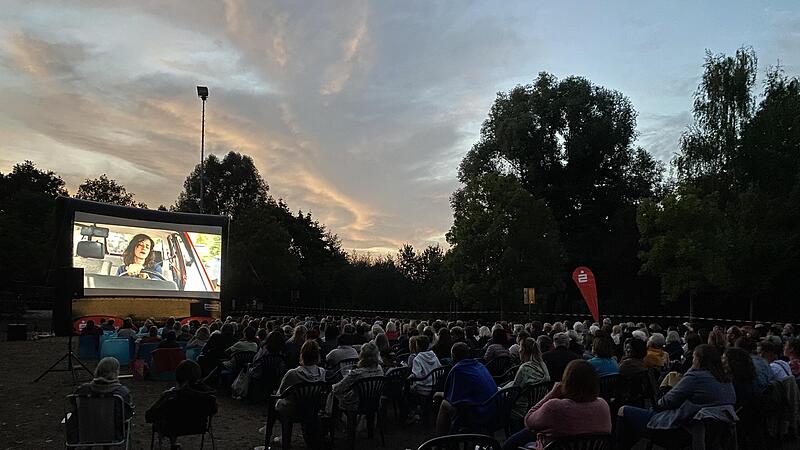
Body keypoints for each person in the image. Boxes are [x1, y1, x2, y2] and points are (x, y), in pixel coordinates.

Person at [616, 345, 736, 449]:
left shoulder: (695, 377)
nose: (692, 360)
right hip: (706, 433)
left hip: (678, 428)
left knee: (623, 411)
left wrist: (690, 371)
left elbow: (666, 402)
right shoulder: (726, 381)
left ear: (699, 360)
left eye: (694, 357)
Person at [502, 359, 611, 450]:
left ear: (567, 381)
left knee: (516, 440)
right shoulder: (603, 405)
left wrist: (552, 394)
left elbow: (528, 420)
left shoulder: (555, 408)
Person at [145, 360, 217, 450]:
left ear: (178, 376)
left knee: (169, 417)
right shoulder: (209, 396)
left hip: (172, 427)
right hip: (199, 427)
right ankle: (173, 444)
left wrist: (162, 397)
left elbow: (149, 416)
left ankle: (172, 442)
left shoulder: (171, 397)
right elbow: (213, 411)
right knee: (174, 416)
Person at [436, 342, 498, 435]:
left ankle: (440, 439)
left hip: (479, 412)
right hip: (493, 408)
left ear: (453, 357)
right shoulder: (479, 365)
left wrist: (438, 394)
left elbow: (450, 396)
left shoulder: (458, 369)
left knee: (444, 404)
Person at [69, 357, 133, 443]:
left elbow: (73, 403)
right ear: (116, 372)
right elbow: (126, 415)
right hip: (114, 433)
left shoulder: (83, 390)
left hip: (84, 431)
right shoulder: (122, 392)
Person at [505, 338, 550, 425]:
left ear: (524, 351)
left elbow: (513, 392)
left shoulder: (525, 368)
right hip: (538, 405)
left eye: (520, 348)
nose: (519, 350)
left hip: (522, 409)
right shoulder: (542, 365)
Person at [329, 342, 384, 413]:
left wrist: (332, 386)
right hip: (374, 403)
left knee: (334, 393)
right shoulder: (380, 369)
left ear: (362, 355)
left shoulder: (357, 373)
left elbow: (338, 388)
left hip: (356, 404)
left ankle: (334, 417)